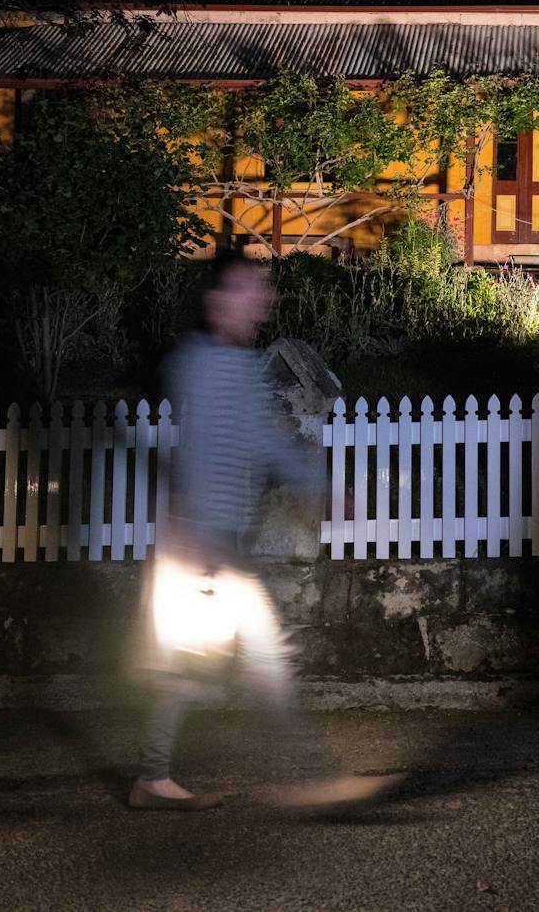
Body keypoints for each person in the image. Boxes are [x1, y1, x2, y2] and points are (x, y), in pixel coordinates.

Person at [131, 248, 390, 814]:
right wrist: (200, 544)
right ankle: (314, 776)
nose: (264, 298)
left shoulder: (235, 364)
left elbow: (264, 442)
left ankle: (152, 778)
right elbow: (198, 452)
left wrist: (315, 489)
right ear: (218, 300)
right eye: (252, 287)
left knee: (191, 664)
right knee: (264, 660)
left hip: (216, 539)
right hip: (205, 541)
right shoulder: (201, 364)